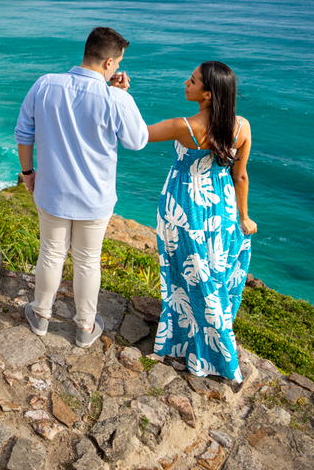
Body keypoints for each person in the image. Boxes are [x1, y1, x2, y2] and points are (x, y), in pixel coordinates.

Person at [14, 26, 148, 348]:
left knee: (51, 253)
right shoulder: (115, 98)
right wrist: (123, 97)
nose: (116, 69)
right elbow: (138, 140)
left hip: (52, 191)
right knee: (88, 261)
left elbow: (23, 134)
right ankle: (85, 328)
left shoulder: (45, 84)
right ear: (108, 63)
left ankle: (41, 316)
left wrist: (28, 173)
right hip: (94, 200)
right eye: (116, 63)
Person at [146, 61, 255, 381]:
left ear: (207, 95)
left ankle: (199, 347)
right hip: (220, 211)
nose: (185, 82)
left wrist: (117, 94)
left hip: (183, 212)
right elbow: (242, 176)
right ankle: (205, 342)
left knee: (181, 278)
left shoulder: (186, 126)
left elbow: (137, 135)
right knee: (210, 280)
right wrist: (244, 217)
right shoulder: (242, 127)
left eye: (192, 81)